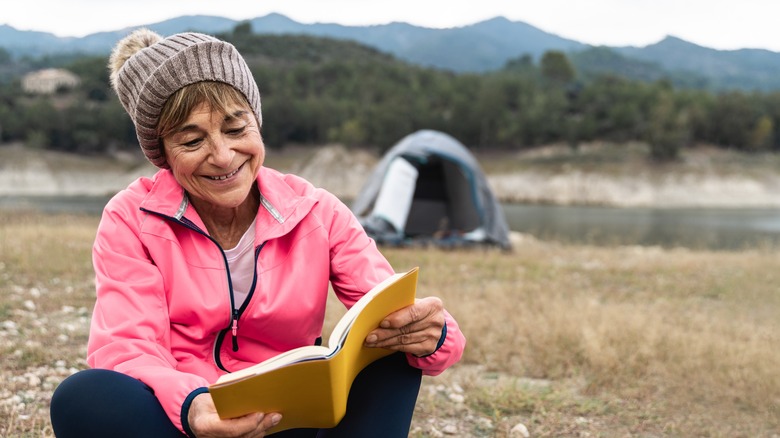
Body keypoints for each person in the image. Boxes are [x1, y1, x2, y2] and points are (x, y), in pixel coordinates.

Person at [49, 29, 465, 438]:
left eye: (235, 129)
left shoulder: (316, 210)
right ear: (162, 153)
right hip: (189, 420)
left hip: (292, 421)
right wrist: (193, 406)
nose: (223, 156)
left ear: (256, 122)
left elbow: (394, 309)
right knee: (84, 395)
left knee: (392, 349)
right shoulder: (131, 218)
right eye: (192, 140)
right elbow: (127, 349)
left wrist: (432, 334)